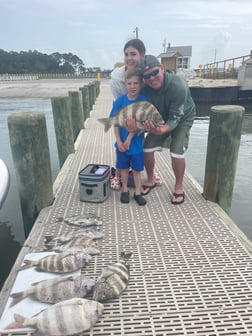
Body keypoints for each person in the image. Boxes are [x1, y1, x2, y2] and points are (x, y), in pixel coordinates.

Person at [125, 55, 196, 205]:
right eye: (147, 76)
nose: (151, 78)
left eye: (154, 72)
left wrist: (162, 130)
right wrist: (133, 126)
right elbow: (140, 109)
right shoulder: (145, 89)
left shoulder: (178, 86)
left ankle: (178, 186)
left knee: (176, 151)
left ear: (162, 68)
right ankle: (150, 179)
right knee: (146, 148)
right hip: (160, 117)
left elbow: (175, 118)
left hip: (182, 118)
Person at [110, 39, 162, 189]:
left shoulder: (147, 73)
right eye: (126, 54)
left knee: (145, 142)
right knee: (122, 142)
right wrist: (127, 127)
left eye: (133, 54)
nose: (129, 58)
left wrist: (141, 126)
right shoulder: (117, 79)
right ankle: (118, 175)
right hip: (126, 111)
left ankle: (150, 174)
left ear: (142, 55)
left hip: (144, 111)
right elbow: (122, 104)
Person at [109, 68, 147, 206]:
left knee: (137, 170)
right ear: (125, 85)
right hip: (121, 145)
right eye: (129, 83)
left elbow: (141, 123)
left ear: (141, 84)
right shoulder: (119, 102)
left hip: (137, 145)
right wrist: (119, 141)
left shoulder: (144, 101)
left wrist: (129, 139)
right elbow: (115, 123)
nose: (132, 86)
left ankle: (138, 192)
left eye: (136, 83)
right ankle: (124, 190)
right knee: (123, 168)